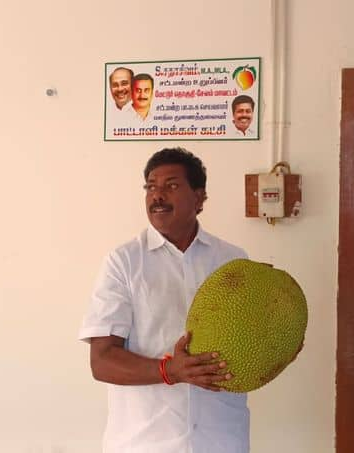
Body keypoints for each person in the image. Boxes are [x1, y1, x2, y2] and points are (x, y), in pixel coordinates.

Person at [79, 147, 250, 453]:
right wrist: (171, 370)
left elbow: (253, 340)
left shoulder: (233, 261)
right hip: (145, 442)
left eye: (171, 185)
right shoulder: (124, 262)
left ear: (199, 199)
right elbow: (102, 361)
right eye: (150, 186)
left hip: (222, 438)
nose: (157, 195)